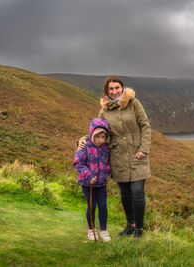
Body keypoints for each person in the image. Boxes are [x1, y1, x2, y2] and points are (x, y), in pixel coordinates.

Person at [79, 75, 151, 238]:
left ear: (122, 88)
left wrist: (144, 148)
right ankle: (130, 225)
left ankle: (139, 229)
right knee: (125, 193)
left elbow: (145, 126)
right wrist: (82, 140)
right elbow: (96, 130)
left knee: (137, 192)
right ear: (107, 91)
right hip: (117, 156)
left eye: (117, 88)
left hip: (137, 154)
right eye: (111, 89)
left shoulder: (134, 103)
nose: (114, 91)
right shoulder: (104, 111)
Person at [74, 118, 111, 242]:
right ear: (91, 134)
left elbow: (108, 162)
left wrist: (107, 172)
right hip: (87, 183)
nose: (100, 140)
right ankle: (92, 229)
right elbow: (78, 163)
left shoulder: (105, 147)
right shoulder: (84, 145)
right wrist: (89, 175)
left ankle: (104, 230)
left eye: (103, 137)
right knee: (92, 205)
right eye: (97, 137)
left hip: (101, 183)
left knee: (103, 206)